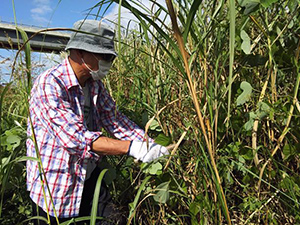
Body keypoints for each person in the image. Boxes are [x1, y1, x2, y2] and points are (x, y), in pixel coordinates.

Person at [26, 19, 168, 225]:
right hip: (57, 188)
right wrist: (132, 148)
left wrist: (148, 144)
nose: (109, 63)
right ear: (80, 52)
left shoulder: (94, 86)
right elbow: (75, 139)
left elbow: (115, 121)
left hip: (89, 179)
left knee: (115, 220)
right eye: (105, 56)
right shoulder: (50, 84)